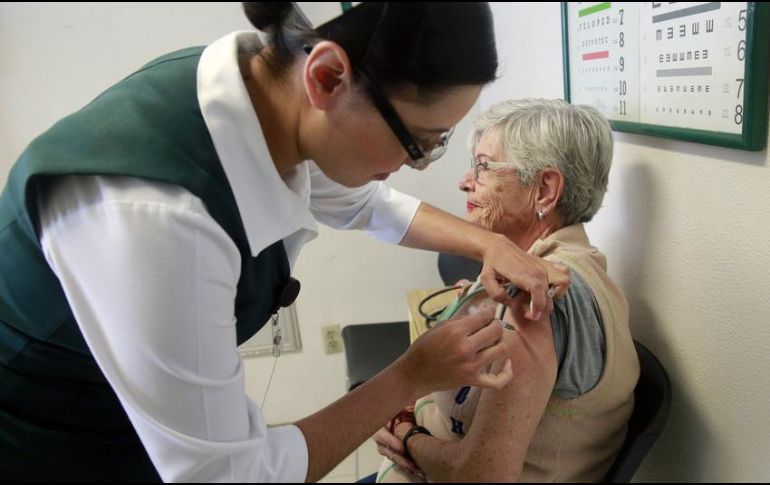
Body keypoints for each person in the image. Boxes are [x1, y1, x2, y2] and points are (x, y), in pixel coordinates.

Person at [0, 4, 571, 483]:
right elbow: (230, 476)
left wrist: (487, 245)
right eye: (417, 143)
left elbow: (364, 204)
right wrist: (410, 376)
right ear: (326, 77)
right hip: (55, 444)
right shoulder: (155, 216)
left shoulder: (268, 89)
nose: (414, 166)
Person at [374, 99, 641, 482]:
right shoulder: (581, 264)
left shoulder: (538, 296)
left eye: (483, 167)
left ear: (545, 190)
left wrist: (405, 432)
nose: (465, 181)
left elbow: (481, 476)